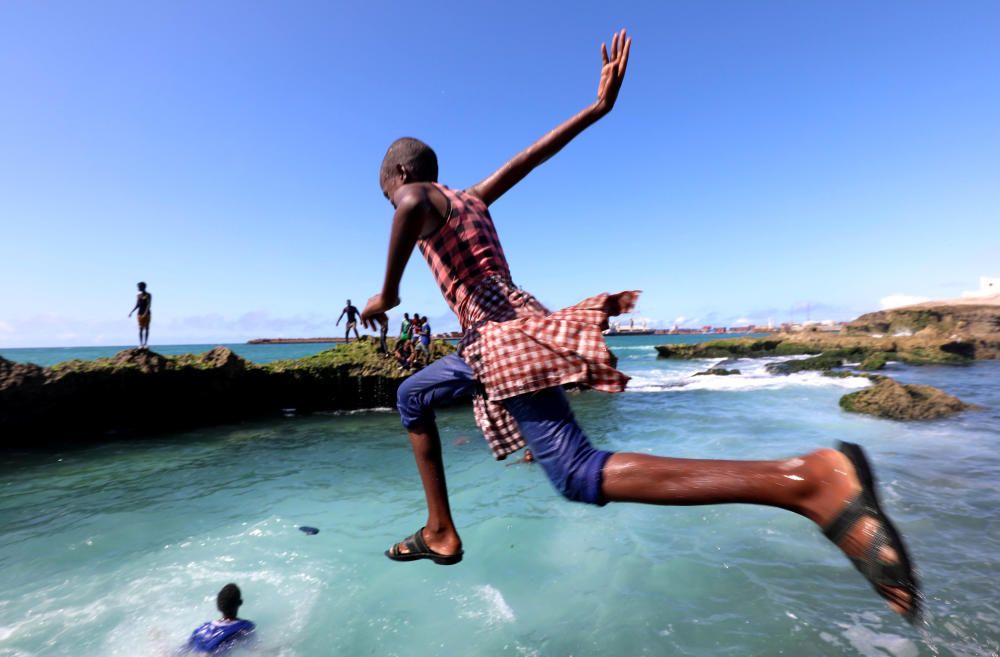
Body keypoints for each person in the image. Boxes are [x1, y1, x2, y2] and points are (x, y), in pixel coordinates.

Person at [360, 30, 919, 623]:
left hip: (500, 337)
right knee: (412, 395)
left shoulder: (418, 196)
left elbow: (411, 203)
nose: (393, 199)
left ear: (400, 172)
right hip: (507, 328)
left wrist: (388, 293)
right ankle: (440, 529)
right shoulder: (473, 198)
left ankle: (807, 481)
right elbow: (532, 154)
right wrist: (596, 108)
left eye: (387, 188)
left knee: (575, 471)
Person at [186, 583, 255, 654]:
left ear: (218, 606)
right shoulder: (244, 626)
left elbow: (184, 649)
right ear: (240, 602)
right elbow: (252, 648)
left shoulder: (202, 629)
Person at [127, 281, 152, 349]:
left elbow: (148, 305)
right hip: (139, 314)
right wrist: (131, 312)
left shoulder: (148, 295)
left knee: (147, 328)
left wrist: (145, 313)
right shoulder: (138, 296)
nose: (138, 288)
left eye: (139, 287)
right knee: (140, 329)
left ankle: (145, 344)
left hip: (147, 314)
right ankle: (141, 344)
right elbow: (137, 305)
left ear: (143, 287)